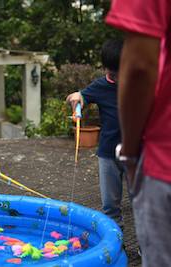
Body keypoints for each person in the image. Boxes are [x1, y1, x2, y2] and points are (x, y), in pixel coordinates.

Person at [106, 1, 171, 266]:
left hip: (164, 160)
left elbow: (139, 67)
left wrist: (130, 152)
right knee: (111, 203)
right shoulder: (99, 87)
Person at [66, 39, 125, 228]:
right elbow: (81, 96)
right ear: (106, 68)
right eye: (112, 72)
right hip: (108, 153)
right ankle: (117, 242)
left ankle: (145, 245)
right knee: (110, 206)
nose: (116, 76)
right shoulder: (101, 86)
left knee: (142, 204)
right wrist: (77, 97)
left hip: (137, 153)